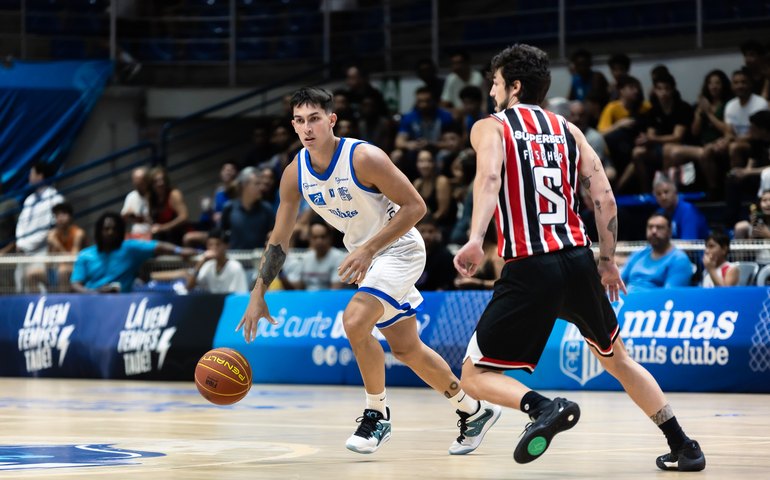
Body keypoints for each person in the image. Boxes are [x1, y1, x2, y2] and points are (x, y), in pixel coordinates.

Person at [453, 44, 705, 470]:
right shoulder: (568, 129)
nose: (492, 91)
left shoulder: (490, 127)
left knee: (473, 377)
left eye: (495, 83)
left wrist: (477, 236)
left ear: (513, 87)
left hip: (530, 266)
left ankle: (540, 409)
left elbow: (491, 176)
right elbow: (605, 196)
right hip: (577, 260)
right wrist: (607, 261)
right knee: (618, 360)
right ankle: (684, 445)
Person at [236, 87, 500, 456]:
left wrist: (368, 248)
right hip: (368, 257)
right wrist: (257, 293)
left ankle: (377, 414)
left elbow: (416, 207)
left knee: (355, 320)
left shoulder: (364, 157)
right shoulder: (294, 173)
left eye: (314, 119)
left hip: (400, 249)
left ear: (331, 120)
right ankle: (473, 411)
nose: (306, 128)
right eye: (299, 120)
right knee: (407, 349)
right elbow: (279, 241)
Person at [71, 212, 197, 294]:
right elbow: (75, 285)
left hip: (122, 303)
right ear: (99, 231)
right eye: (106, 229)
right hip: (92, 301)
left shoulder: (130, 249)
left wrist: (179, 250)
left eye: (114, 229)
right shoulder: (85, 255)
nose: (110, 232)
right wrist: (96, 292)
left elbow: (159, 246)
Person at [15, 161, 64, 292]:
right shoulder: (29, 200)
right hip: (23, 252)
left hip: (41, 252)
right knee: (21, 288)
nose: (29, 176)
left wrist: (25, 244)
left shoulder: (55, 199)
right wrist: (20, 242)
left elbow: (48, 231)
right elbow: (21, 223)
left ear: (40, 176)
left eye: (32, 173)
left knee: (39, 291)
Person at [622, 213, 694, 292]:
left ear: (670, 231)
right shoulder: (638, 254)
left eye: (659, 227)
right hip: (626, 300)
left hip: (653, 303)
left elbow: (670, 296)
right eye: (650, 227)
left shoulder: (679, 260)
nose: (654, 231)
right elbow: (619, 282)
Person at [283, 219, 347, 291]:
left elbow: (335, 290)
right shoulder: (306, 258)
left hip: (330, 299)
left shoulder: (339, 258)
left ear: (330, 238)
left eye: (323, 237)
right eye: (315, 237)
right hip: (307, 299)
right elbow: (298, 287)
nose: (319, 241)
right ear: (310, 239)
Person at [186, 228, 248, 294]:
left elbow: (241, 295)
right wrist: (201, 262)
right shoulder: (208, 266)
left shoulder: (235, 267)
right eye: (210, 245)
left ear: (227, 246)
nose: (213, 248)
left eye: (218, 244)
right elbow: (189, 287)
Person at [652, 174, 708, 240]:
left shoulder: (688, 211)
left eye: (666, 192)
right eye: (659, 194)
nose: (663, 197)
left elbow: (688, 246)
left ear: (675, 192)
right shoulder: (659, 213)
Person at [47, 202, 86, 291]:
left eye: (63, 214)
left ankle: (63, 301)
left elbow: (72, 259)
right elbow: (48, 262)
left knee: (63, 271)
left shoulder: (78, 234)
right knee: (32, 274)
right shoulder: (53, 234)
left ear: (71, 216)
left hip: (78, 269)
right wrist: (50, 245)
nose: (60, 218)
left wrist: (56, 244)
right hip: (57, 270)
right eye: (57, 215)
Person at [121, 166, 152, 239]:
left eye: (141, 180)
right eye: (136, 180)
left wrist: (139, 218)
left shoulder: (153, 195)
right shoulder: (131, 196)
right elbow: (123, 217)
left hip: (152, 233)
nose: (138, 182)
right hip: (136, 235)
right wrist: (128, 215)